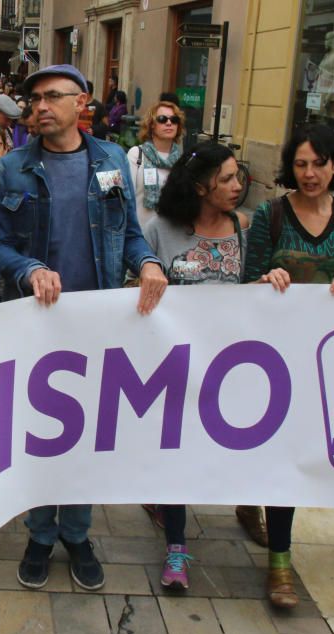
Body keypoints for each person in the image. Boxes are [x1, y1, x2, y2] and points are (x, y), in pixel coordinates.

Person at [0, 64, 167, 592]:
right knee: (42, 434)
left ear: (81, 101)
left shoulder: (110, 159)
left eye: (52, 97)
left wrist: (149, 263)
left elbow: (130, 234)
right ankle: (40, 533)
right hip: (36, 325)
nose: (40, 106)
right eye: (34, 99)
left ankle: (77, 531)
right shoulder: (13, 168)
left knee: (86, 436)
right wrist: (30, 270)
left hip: (98, 329)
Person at [242, 123, 334, 610]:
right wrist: (264, 278)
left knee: (289, 453)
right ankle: (279, 564)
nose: (310, 173)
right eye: (300, 164)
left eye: (319, 163)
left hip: (320, 358)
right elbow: (245, 284)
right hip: (269, 356)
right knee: (271, 452)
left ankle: (273, 542)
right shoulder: (271, 216)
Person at [136, 141, 248, 589]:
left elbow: (251, 295)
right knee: (175, 453)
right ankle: (177, 549)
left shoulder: (243, 227)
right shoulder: (161, 230)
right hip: (173, 364)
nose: (237, 186)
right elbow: (136, 289)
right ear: (201, 186)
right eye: (227, 179)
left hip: (226, 366)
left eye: (239, 177)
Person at [128, 101, 185, 226]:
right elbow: (127, 196)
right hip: (141, 234)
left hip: (170, 235)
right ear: (152, 125)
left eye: (174, 119)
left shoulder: (182, 160)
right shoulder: (137, 154)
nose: (169, 123)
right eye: (162, 119)